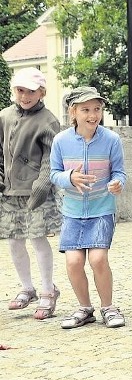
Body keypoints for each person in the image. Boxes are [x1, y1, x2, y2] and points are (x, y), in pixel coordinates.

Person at [50, 87, 127, 329]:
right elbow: (53, 174)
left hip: (102, 208)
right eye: (86, 110)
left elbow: (119, 172)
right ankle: (85, 308)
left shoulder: (111, 140)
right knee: (73, 261)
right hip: (72, 212)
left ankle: (108, 307)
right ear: (73, 112)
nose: (93, 115)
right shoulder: (60, 141)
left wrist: (117, 183)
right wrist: (70, 178)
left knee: (98, 258)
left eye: (97, 109)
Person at [0, 68, 61, 320]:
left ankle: (48, 290)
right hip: (9, 192)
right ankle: (27, 288)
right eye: (20, 90)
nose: (25, 95)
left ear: (42, 92)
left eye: (31, 91)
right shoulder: (3, 116)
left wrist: (41, 186)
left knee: (37, 240)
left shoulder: (48, 121)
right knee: (14, 242)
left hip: (36, 191)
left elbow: (51, 159)